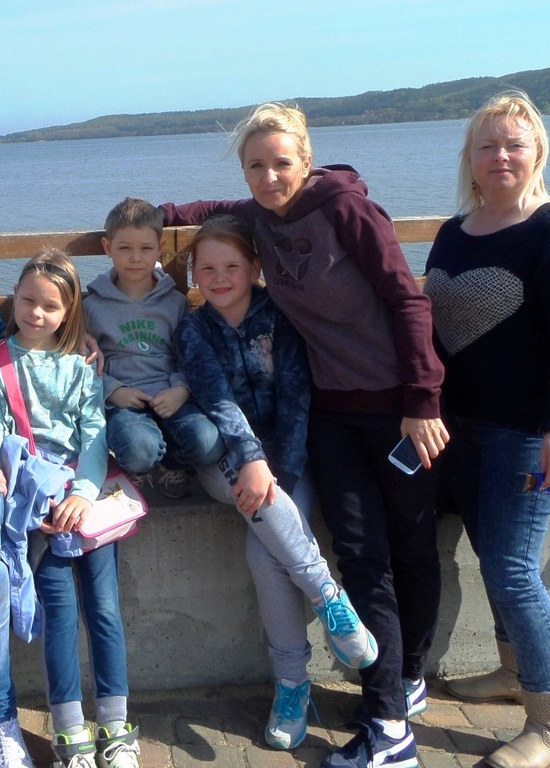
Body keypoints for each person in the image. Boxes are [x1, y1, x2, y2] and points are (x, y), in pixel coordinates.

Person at [160, 102, 449, 768]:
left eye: (281, 163)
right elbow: (220, 209)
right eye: (255, 165)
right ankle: (387, 717)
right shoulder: (258, 216)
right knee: (361, 554)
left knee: (412, 542)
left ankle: (407, 675)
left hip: (397, 406)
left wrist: (422, 398)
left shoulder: (347, 210)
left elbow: (407, 299)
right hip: (331, 412)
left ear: (307, 161)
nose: (269, 176)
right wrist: (159, 215)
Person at [423, 91, 550, 768]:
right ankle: (511, 671)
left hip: (525, 433)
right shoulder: (453, 231)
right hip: (461, 428)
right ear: (469, 157)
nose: (500, 156)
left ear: (538, 153)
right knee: (490, 554)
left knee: (513, 568)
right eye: (487, 145)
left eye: (515, 144)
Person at [178, 213, 379, 750]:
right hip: (225, 462)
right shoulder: (194, 329)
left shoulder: (281, 316)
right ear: (194, 274)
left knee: (265, 555)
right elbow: (217, 399)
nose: (219, 278)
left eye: (231, 266)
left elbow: (296, 395)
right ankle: (327, 595)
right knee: (266, 517)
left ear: (254, 267)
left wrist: (278, 472)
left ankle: (292, 683)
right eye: (207, 269)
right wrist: (251, 460)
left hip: (288, 460)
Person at [0, 248, 141, 768]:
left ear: (69, 311)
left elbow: (94, 432)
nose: (35, 313)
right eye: (27, 301)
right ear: (14, 299)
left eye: (50, 306)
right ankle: (70, 732)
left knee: (104, 609)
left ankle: (117, 726)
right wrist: (33, 492)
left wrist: (82, 491)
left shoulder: (80, 366)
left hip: (85, 502)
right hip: (38, 508)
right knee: (58, 612)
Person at [84, 197, 225, 499]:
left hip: (171, 394)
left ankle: (170, 463)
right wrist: (113, 391)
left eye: (146, 248)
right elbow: (83, 362)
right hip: (123, 402)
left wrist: (181, 390)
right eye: (125, 248)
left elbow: (190, 355)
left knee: (208, 443)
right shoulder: (93, 306)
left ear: (160, 248)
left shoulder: (175, 302)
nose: (136, 258)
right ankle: (142, 463)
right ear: (108, 247)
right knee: (138, 449)